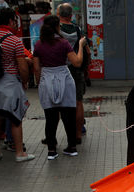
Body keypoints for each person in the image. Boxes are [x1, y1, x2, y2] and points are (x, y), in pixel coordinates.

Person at [0, 7, 34, 162]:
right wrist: (24, 81)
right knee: (16, 120)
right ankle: (19, 153)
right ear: (11, 21)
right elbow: (22, 66)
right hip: (10, 83)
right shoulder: (14, 40)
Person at [33, 15, 85, 160]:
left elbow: (36, 68)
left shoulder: (38, 44)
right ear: (57, 27)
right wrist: (80, 45)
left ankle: (51, 150)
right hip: (64, 78)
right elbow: (77, 62)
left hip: (46, 78)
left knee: (50, 117)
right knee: (68, 116)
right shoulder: (63, 43)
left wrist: (40, 83)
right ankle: (71, 147)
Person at [57, 3, 90, 146]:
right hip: (76, 70)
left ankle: (60, 134)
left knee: (59, 103)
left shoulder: (56, 30)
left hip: (59, 70)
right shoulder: (78, 30)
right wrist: (85, 69)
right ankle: (78, 134)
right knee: (78, 102)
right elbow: (87, 51)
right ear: (71, 15)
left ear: (59, 15)